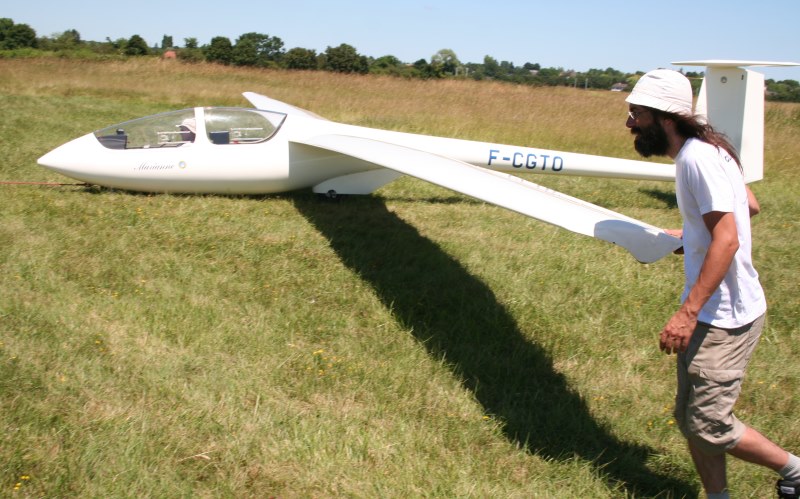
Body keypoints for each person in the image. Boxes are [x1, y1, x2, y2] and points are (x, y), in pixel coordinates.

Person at [625, 69, 799, 498]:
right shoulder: (708, 149)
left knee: (709, 424)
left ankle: (795, 471)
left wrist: (686, 313)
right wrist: (692, 237)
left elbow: (729, 235)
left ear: (665, 118)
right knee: (691, 421)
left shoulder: (697, 159)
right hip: (712, 310)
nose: (629, 122)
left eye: (636, 113)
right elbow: (748, 206)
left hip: (725, 317)